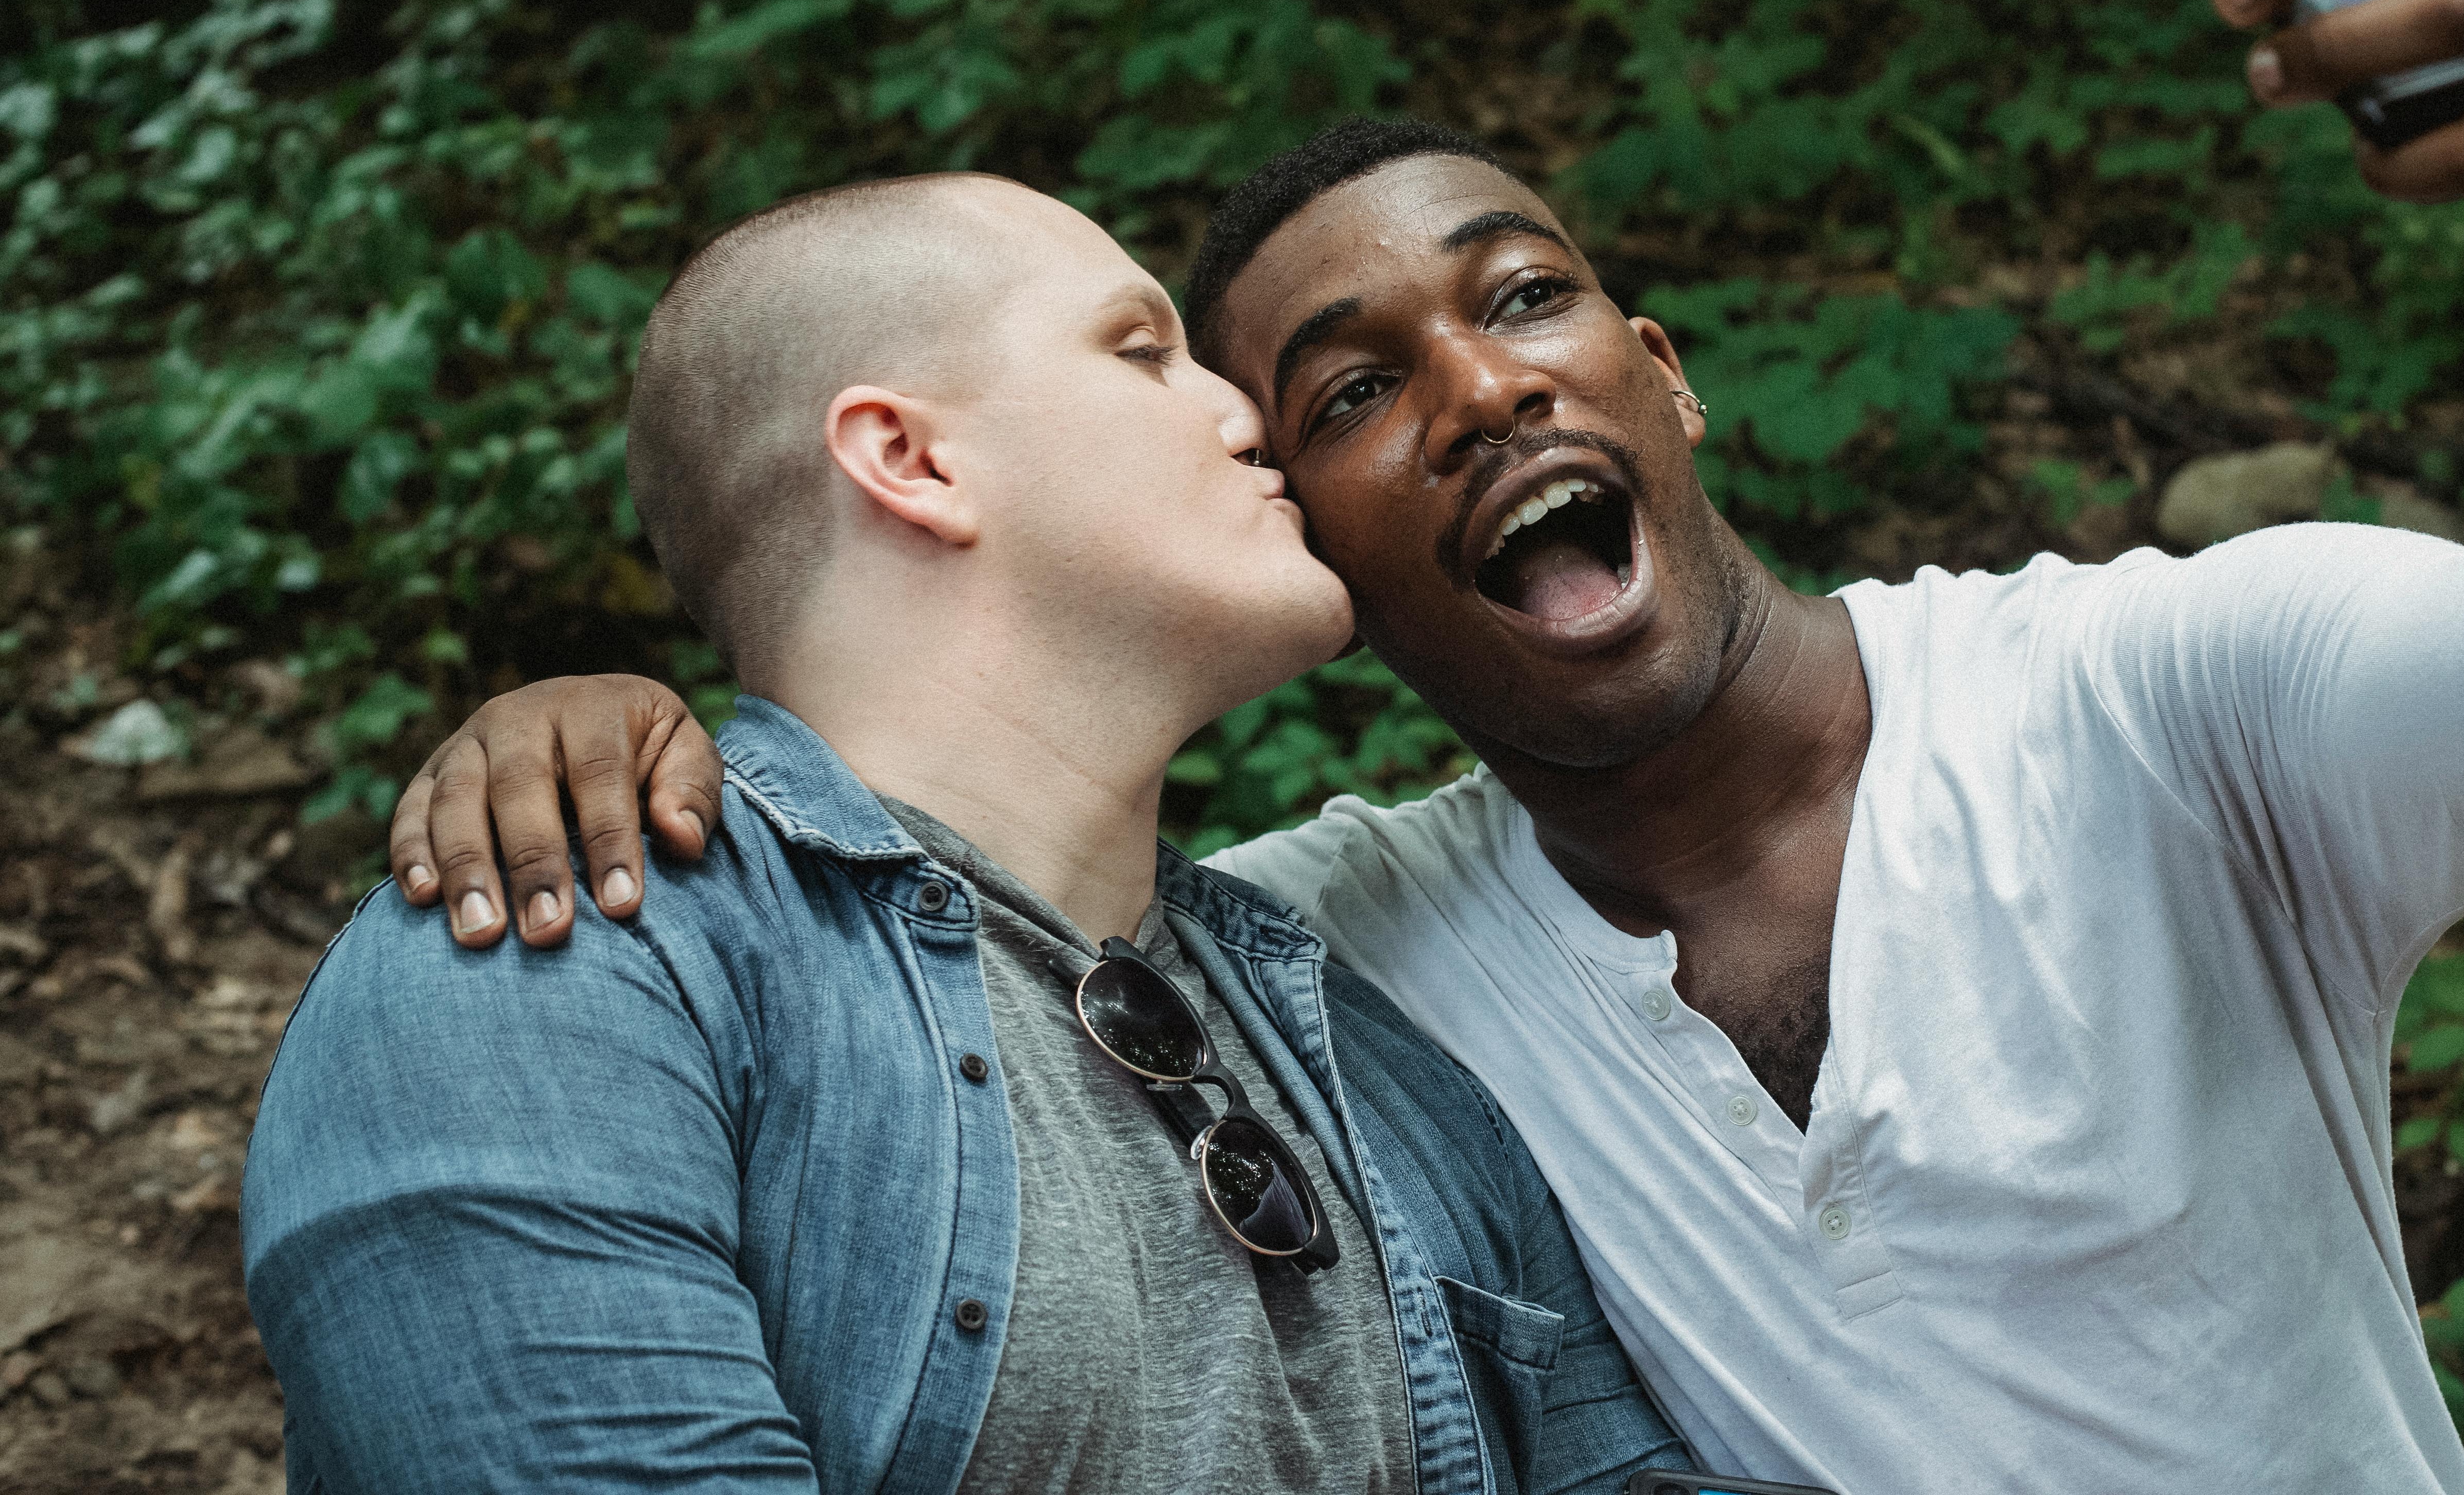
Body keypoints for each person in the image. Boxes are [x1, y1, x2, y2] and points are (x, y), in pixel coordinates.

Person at [390, 0, 2464, 1490]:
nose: (1481, 386)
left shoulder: (2149, 702)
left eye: (1530, 300)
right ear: (1313, 539)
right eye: (1348, 386)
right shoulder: (1307, 965)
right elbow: (959, 899)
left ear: (1660, 379)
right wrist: (614, 724)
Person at [242, 176, 1688, 1494]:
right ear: (909, 459)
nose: (1250, 416)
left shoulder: (1367, 1048)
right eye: (1141, 351)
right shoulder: (556, 961)